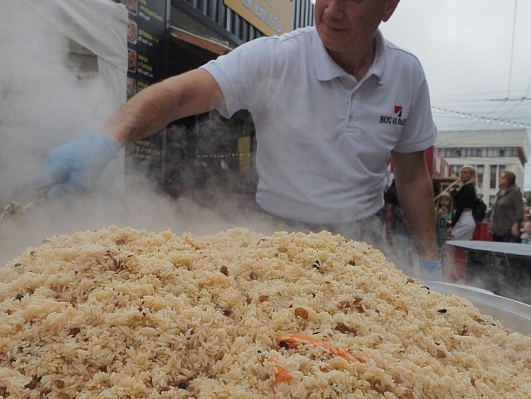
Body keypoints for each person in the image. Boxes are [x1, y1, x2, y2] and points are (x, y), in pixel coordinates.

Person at [37, 0, 441, 278]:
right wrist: (110, 136)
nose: (332, 11)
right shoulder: (274, 58)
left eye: (352, 0)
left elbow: (411, 177)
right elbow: (177, 95)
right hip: (275, 238)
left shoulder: (407, 75)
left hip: (361, 244)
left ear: (388, 6)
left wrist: (430, 261)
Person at [489, 170, 524, 242]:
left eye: (502, 177)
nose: (499, 179)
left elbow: (519, 209)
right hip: (496, 228)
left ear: (509, 180)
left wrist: (516, 224)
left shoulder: (515, 192)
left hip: (508, 228)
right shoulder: (500, 192)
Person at [445, 166, 478, 241]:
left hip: (464, 219)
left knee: (451, 244)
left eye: (465, 173)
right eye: (461, 172)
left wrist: (451, 226)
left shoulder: (467, 188)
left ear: (471, 175)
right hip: (466, 219)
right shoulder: (469, 187)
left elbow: (460, 208)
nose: (462, 174)